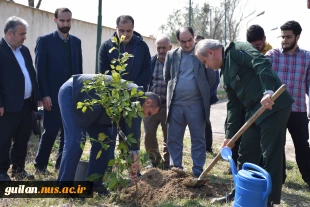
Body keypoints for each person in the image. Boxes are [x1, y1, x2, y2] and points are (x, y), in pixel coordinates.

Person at [195, 39, 294, 206]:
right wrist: (229, 137)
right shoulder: (225, 74)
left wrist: (268, 90)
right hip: (254, 112)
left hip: (273, 105)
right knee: (246, 152)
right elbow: (233, 106)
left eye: (205, 62)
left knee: (271, 154)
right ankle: (239, 193)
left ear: (211, 53)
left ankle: (268, 200)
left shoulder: (237, 50)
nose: (206, 66)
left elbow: (260, 61)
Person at [57, 74, 160, 193]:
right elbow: (134, 130)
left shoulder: (134, 99)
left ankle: (95, 185)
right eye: (149, 113)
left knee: (105, 142)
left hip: (97, 109)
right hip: (74, 92)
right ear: (148, 102)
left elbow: (126, 135)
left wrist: (131, 163)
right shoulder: (135, 96)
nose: (146, 116)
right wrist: (136, 156)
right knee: (76, 142)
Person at [34, 7, 83, 174]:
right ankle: (40, 166)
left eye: (68, 21)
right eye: (62, 20)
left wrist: (79, 94)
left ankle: (60, 164)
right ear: (55, 20)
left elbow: (79, 72)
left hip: (72, 95)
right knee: (51, 131)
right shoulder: (45, 41)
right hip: (52, 96)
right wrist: (44, 95)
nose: (65, 24)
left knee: (68, 132)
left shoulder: (76, 42)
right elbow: (40, 70)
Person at [99, 15, 151, 163]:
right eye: (122, 30)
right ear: (116, 29)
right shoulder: (107, 46)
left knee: (132, 134)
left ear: (133, 29)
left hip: (134, 99)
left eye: (129, 31)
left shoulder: (142, 46)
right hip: (113, 98)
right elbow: (104, 73)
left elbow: (147, 71)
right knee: (110, 133)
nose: (125, 34)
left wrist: (133, 91)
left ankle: (131, 168)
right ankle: (108, 169)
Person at [164, 27, 215, 178]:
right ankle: (176, 167)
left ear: (194, 38)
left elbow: (211, 78)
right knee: (173, 138)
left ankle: (198, 169)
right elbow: (167, 77)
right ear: (178, 41)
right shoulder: (171, 55)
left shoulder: (202, 54)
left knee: (198, 138)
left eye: (190, 40)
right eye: (183, 41)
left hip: (196, 106)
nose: (187, 44)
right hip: (176, 105)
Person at [265, 20, 310, 189]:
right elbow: (263, 78)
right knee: (277, 145)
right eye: (282, 36)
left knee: (302, 146)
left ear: (297, 37)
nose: (284, 40)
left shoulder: (307, 57)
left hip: (298, 110)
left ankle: (308, 177)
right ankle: (278, 178)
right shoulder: (272, 56)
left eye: (288, 37)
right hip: (276, 110)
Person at [0, 16, 40, 181]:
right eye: (22, 34)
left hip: (25, 104)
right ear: (10, 33)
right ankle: (1, 171)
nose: (25, 37)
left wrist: (36, 97)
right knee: (3, 139)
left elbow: (31, 73)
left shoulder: (24, 50)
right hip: (7, 106)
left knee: (22, 139)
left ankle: (18, 169)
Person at [143, 35, 172, 169]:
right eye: (159, 48)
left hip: (168, 107)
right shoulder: (150, 62)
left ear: (170, 48)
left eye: (164, 48)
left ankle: (167, 164)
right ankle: (154, 161)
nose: (161, 51)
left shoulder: (175, 64)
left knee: (169, 137)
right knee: (149, 136)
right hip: (151, 107)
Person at [194, 34, 220, 154]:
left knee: (205, 122)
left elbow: (213, 79)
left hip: (205, 96)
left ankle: (207, 147)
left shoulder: (209, 61)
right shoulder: (197, 58)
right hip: (197, 96)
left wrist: (206, 94)